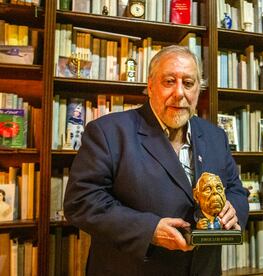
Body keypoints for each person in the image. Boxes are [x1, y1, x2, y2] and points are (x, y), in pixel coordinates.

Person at [63, 45, 249, 275]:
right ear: (150, 86)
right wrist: (149, 230)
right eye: (169, 81)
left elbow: (236, 191)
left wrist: (233, 211)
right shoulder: (108, 132)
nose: (180, 93)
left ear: (198, 90)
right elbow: (81, 201)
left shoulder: (215, 136)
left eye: (188, 83)